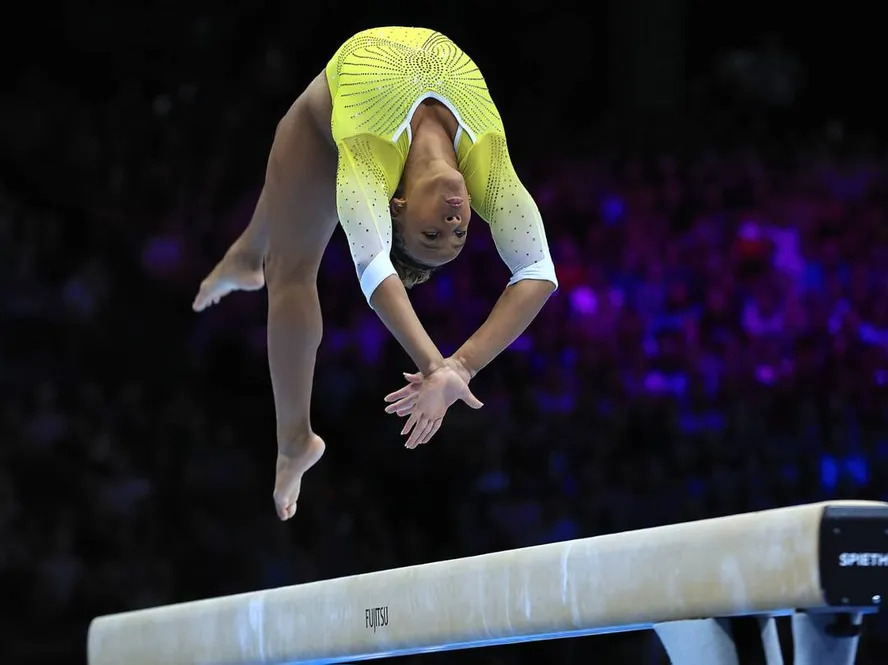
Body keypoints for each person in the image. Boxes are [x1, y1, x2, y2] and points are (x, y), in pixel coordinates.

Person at [191, 27, 558, 521]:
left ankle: (293, 441)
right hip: (363, 94)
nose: (453, 226)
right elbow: (538, 269)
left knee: (290, 269)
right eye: (458, 237)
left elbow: (373, 266)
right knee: (281, 204)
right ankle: (246, 251)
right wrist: (461, 366)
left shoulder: (367, 163)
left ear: (397, 210)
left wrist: (442, 366)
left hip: (326, 118)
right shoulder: (487, 165)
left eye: (431, 236)